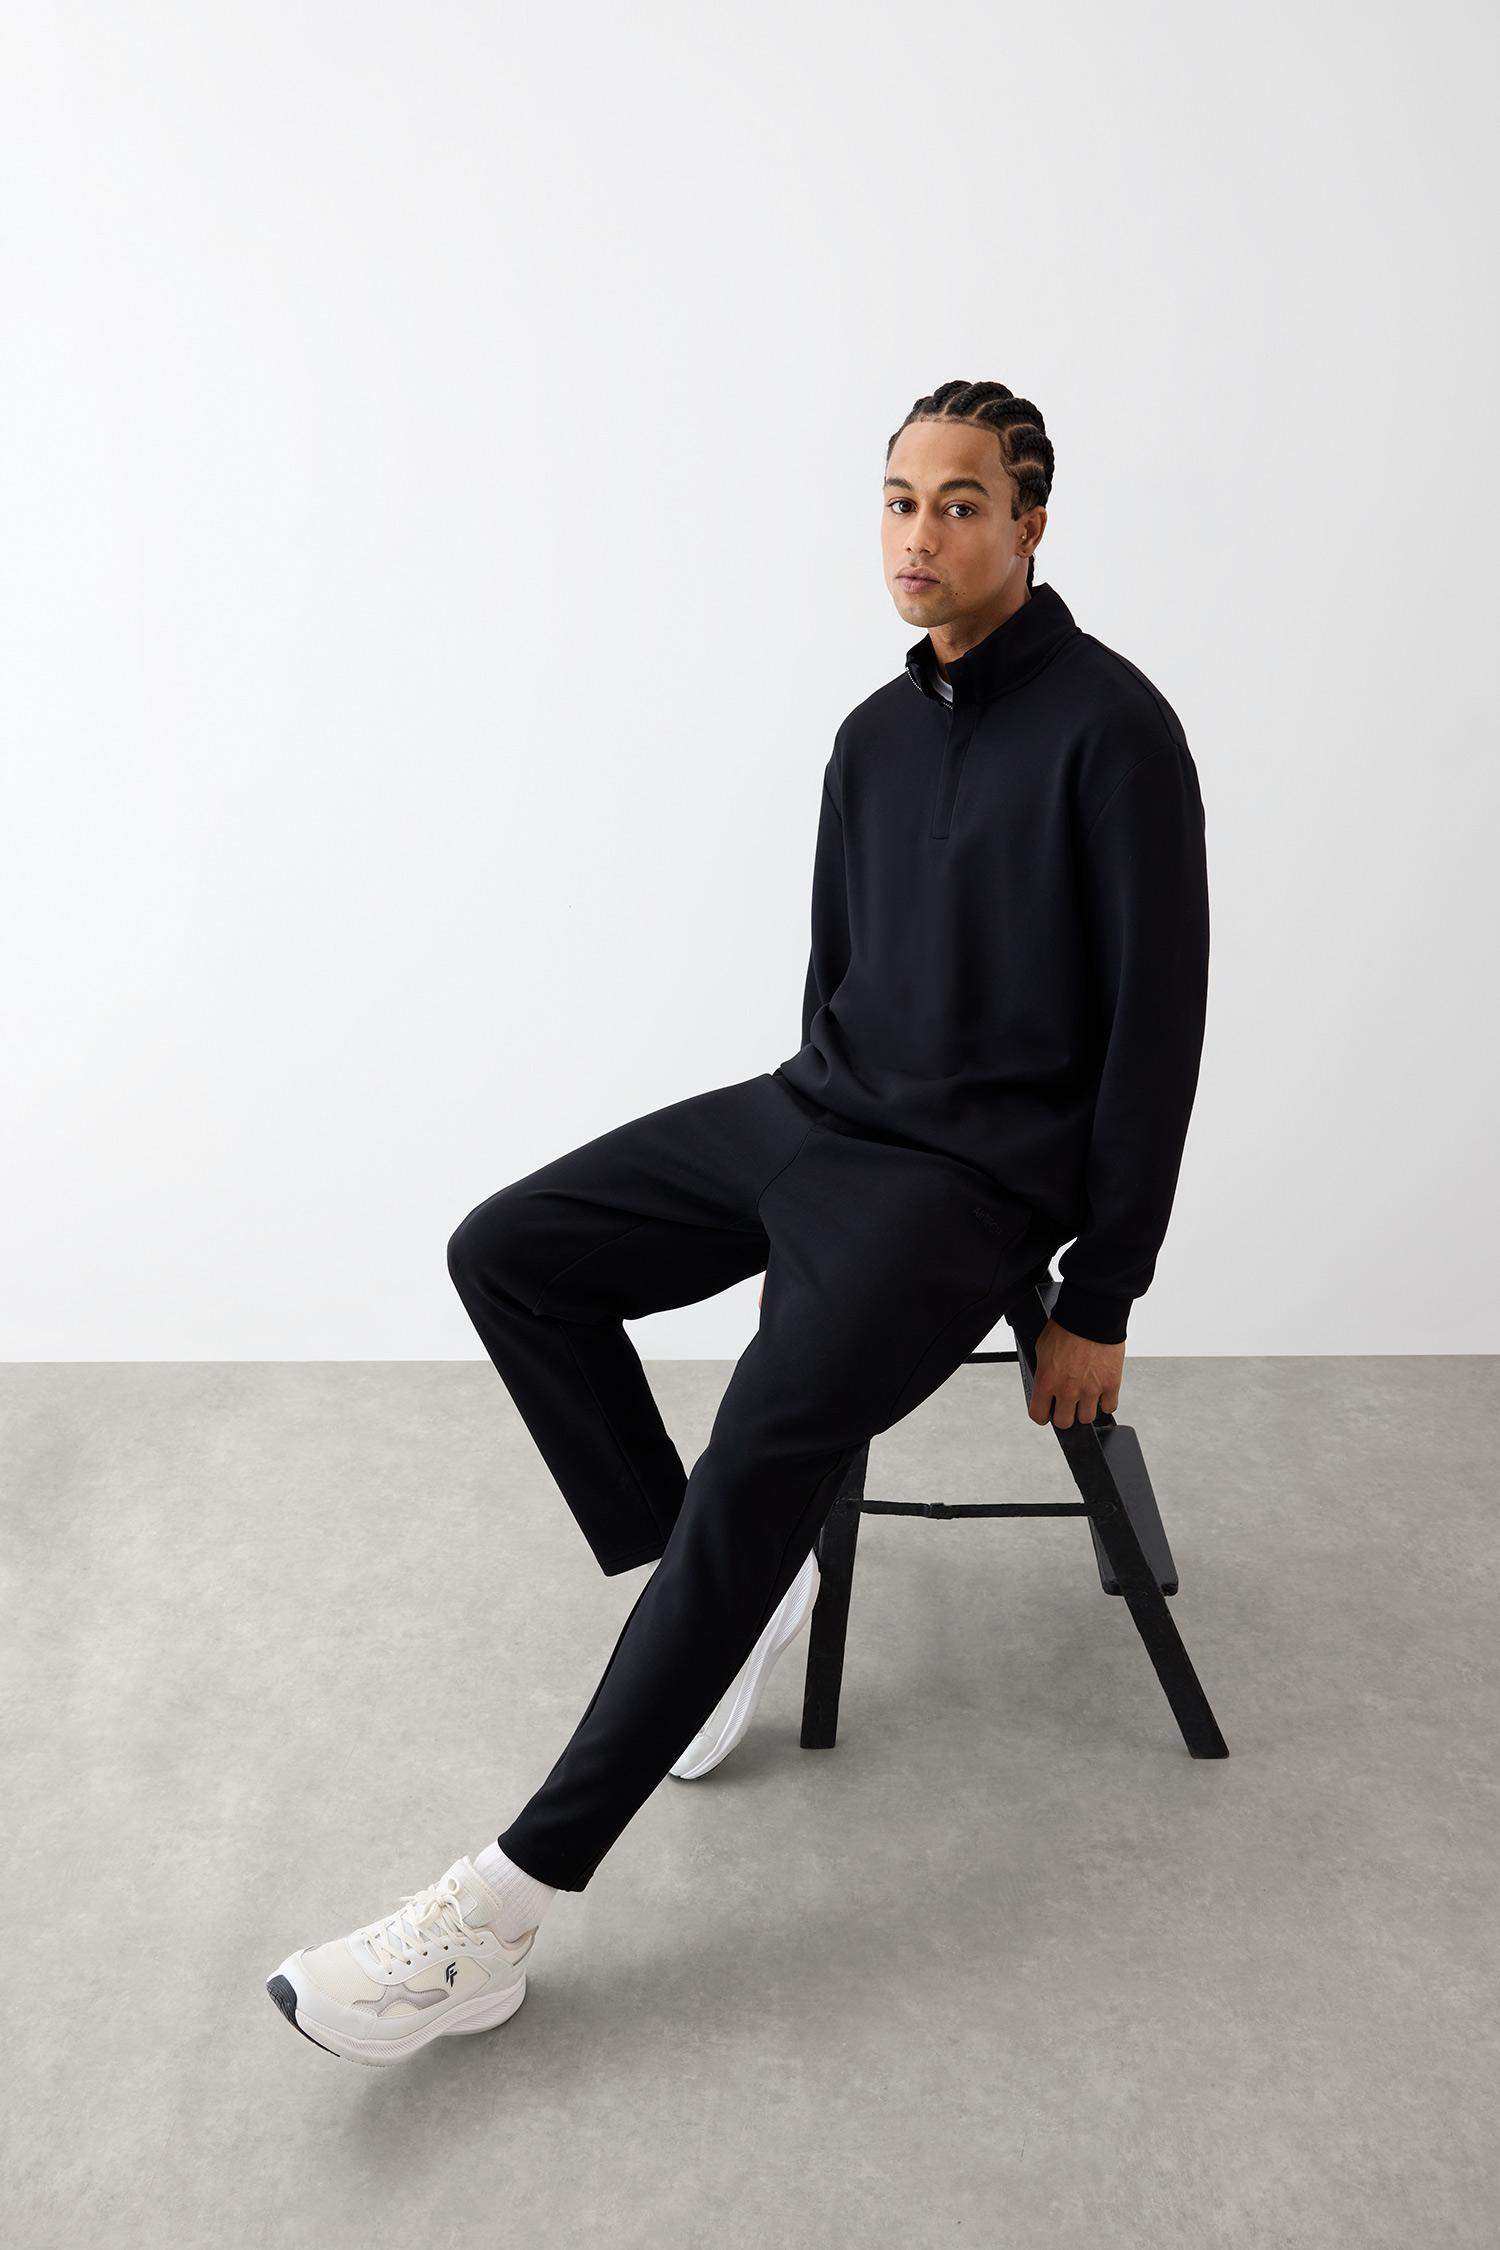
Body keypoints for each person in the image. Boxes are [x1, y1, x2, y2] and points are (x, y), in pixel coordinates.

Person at [266, 378, 1211, 2067]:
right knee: (510, 1251)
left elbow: (1159, 1028)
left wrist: (1103, 1286)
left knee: (768, 1432)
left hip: (973, 1184)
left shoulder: (1117, 731)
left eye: (962, 504)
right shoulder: (869, 735)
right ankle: (709, 1588)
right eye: (900, 500)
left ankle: (495, 1916)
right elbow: (836, 971)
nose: (920, 535)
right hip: (819, 1111)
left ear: (1032, 524)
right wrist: (795, 1152)